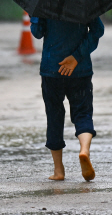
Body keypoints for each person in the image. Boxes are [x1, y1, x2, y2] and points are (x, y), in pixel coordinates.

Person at [30, 15, 104, 181]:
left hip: (52, 69)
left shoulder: (45, 1)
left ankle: (59, 170)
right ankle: (84, 150)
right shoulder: (84, 0)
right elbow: (98, 30)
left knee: (54, 116)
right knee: (83, 113)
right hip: (80, 70)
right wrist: (77, 57)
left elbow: (37, 32)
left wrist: (34, 14)